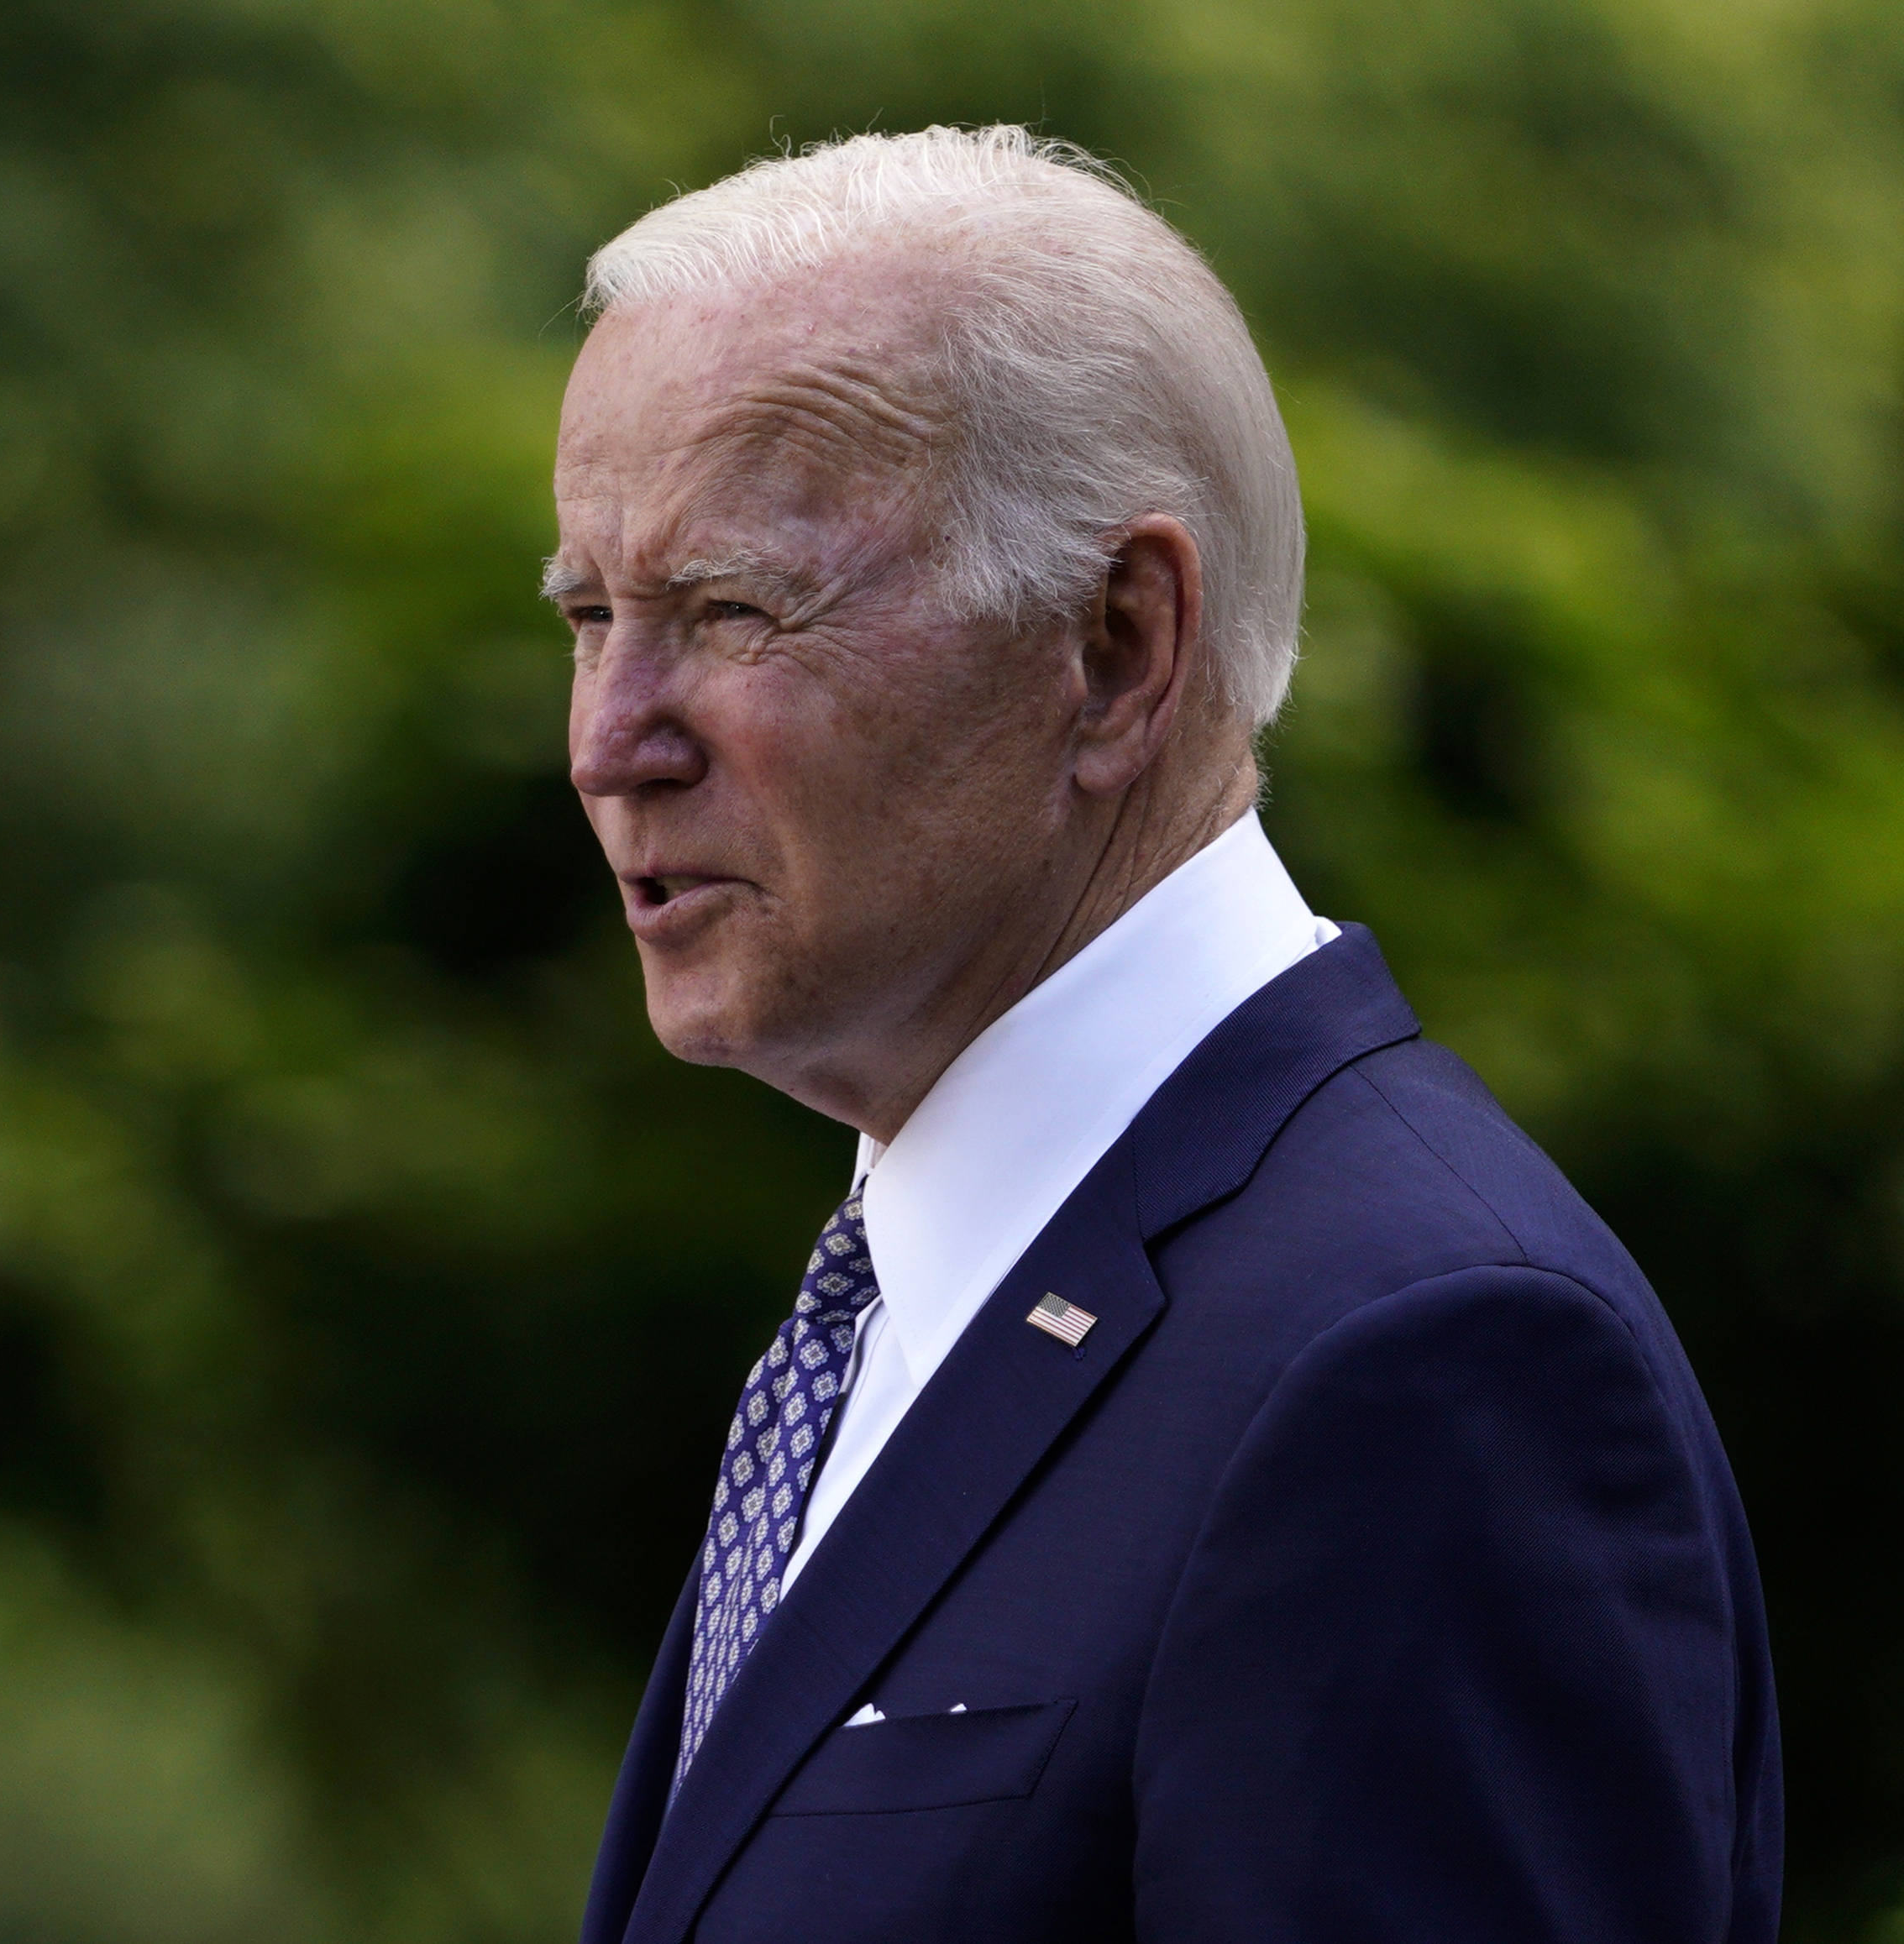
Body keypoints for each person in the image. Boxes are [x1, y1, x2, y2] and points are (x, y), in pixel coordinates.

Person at [550, 126, 1780, 1944]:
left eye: (728, 608)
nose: (609, 738)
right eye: (588, 618)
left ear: (1115, 648)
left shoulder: (1422, 1364)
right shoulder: (926, 1294)